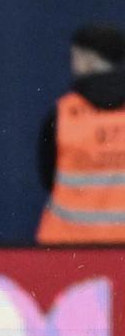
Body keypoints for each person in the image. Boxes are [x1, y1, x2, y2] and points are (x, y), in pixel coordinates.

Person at [37, 23, 125, 244]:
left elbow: (48, 176)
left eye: (75, 57)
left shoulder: (62, 114)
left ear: (88, 59)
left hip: (68, 246)